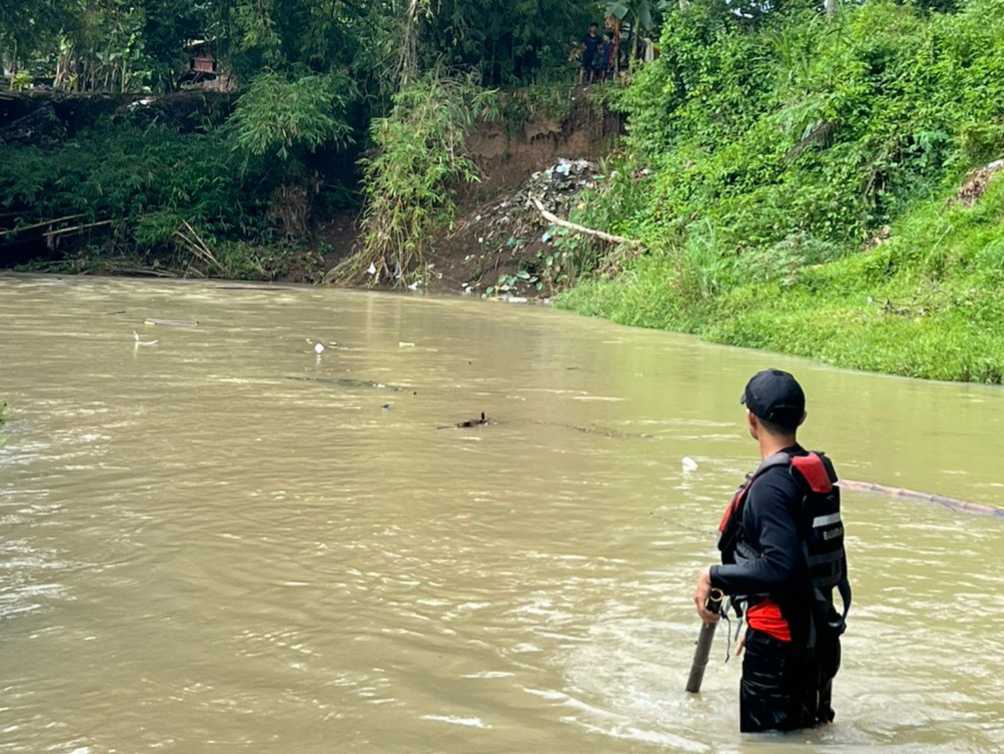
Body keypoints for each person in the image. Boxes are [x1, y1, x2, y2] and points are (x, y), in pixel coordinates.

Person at [693, 369, 850, 733]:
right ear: (802, 418)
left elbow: (780, 566)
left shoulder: (771, 487)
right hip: (817, 635)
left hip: (779, 646)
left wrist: (713, 575)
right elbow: (812, 560)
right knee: (804, 734)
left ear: (751, 419)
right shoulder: (811, 473)